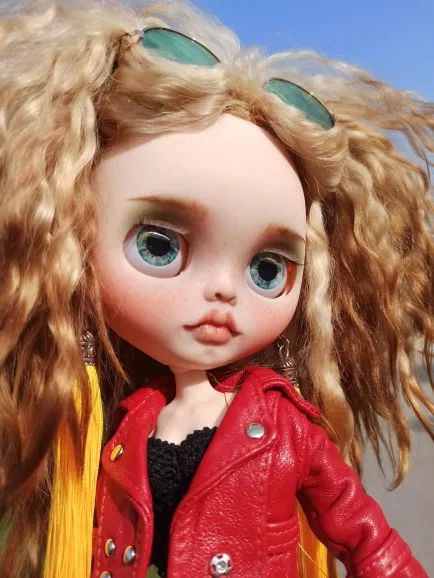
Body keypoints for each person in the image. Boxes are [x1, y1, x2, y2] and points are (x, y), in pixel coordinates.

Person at [0, 1, 432, 577]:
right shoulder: (122, 420)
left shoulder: (284, 426)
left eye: (267, 270)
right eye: (159, 245)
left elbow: (361, 532)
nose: (224, 292)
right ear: (67, 242)